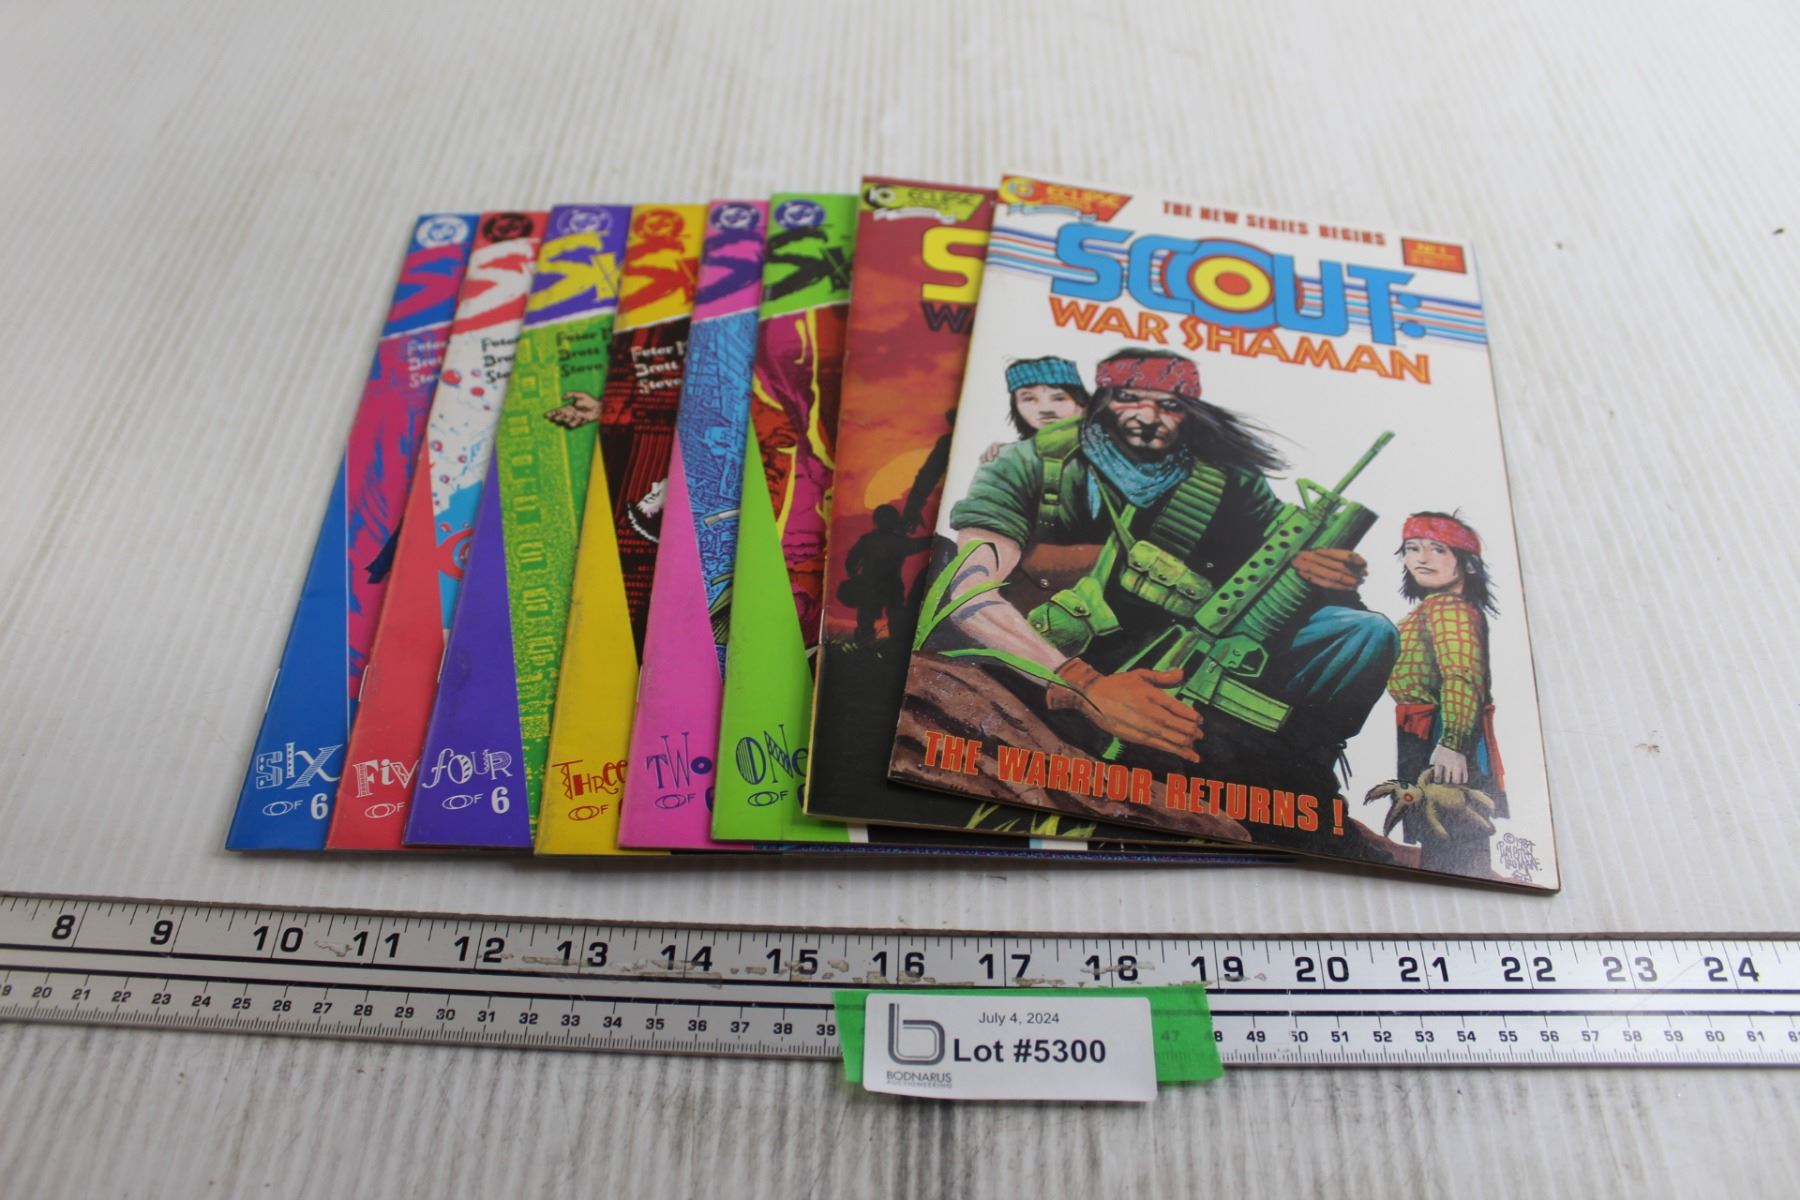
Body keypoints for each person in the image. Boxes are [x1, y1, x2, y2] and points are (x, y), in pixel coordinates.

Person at [934, 347, 1397, 777]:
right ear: (1101, 403)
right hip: (1062, 656)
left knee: (1365, 632)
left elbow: (1276, 554)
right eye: (1128, 399)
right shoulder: (1029, 464)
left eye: (1169, 405)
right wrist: (1082, 685)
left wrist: (1320, 573)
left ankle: (1299, 767)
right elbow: (970, 593)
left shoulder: (1226, 480)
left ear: (1189, 413)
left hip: (1190, 648)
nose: (1147, 416)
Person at [1386, 512, 1508, 866]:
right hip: (1423, 729)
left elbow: (1461, 675)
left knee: (1451, 825)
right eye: (1412, 548)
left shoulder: (1450, 608)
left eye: (1437, 549)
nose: (1422, 558)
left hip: (1442, 729)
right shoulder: (1433, 607)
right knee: (1437, 826)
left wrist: (1453, 743)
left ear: (1466, 563)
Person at [979, 357, 1090, 463]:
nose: (1046, 409)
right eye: (1030, 399)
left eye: (1059, 399)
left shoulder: (1096, 447)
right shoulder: (1014, 456)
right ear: (1015, 405)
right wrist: (1009, 453)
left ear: (1081, 403)